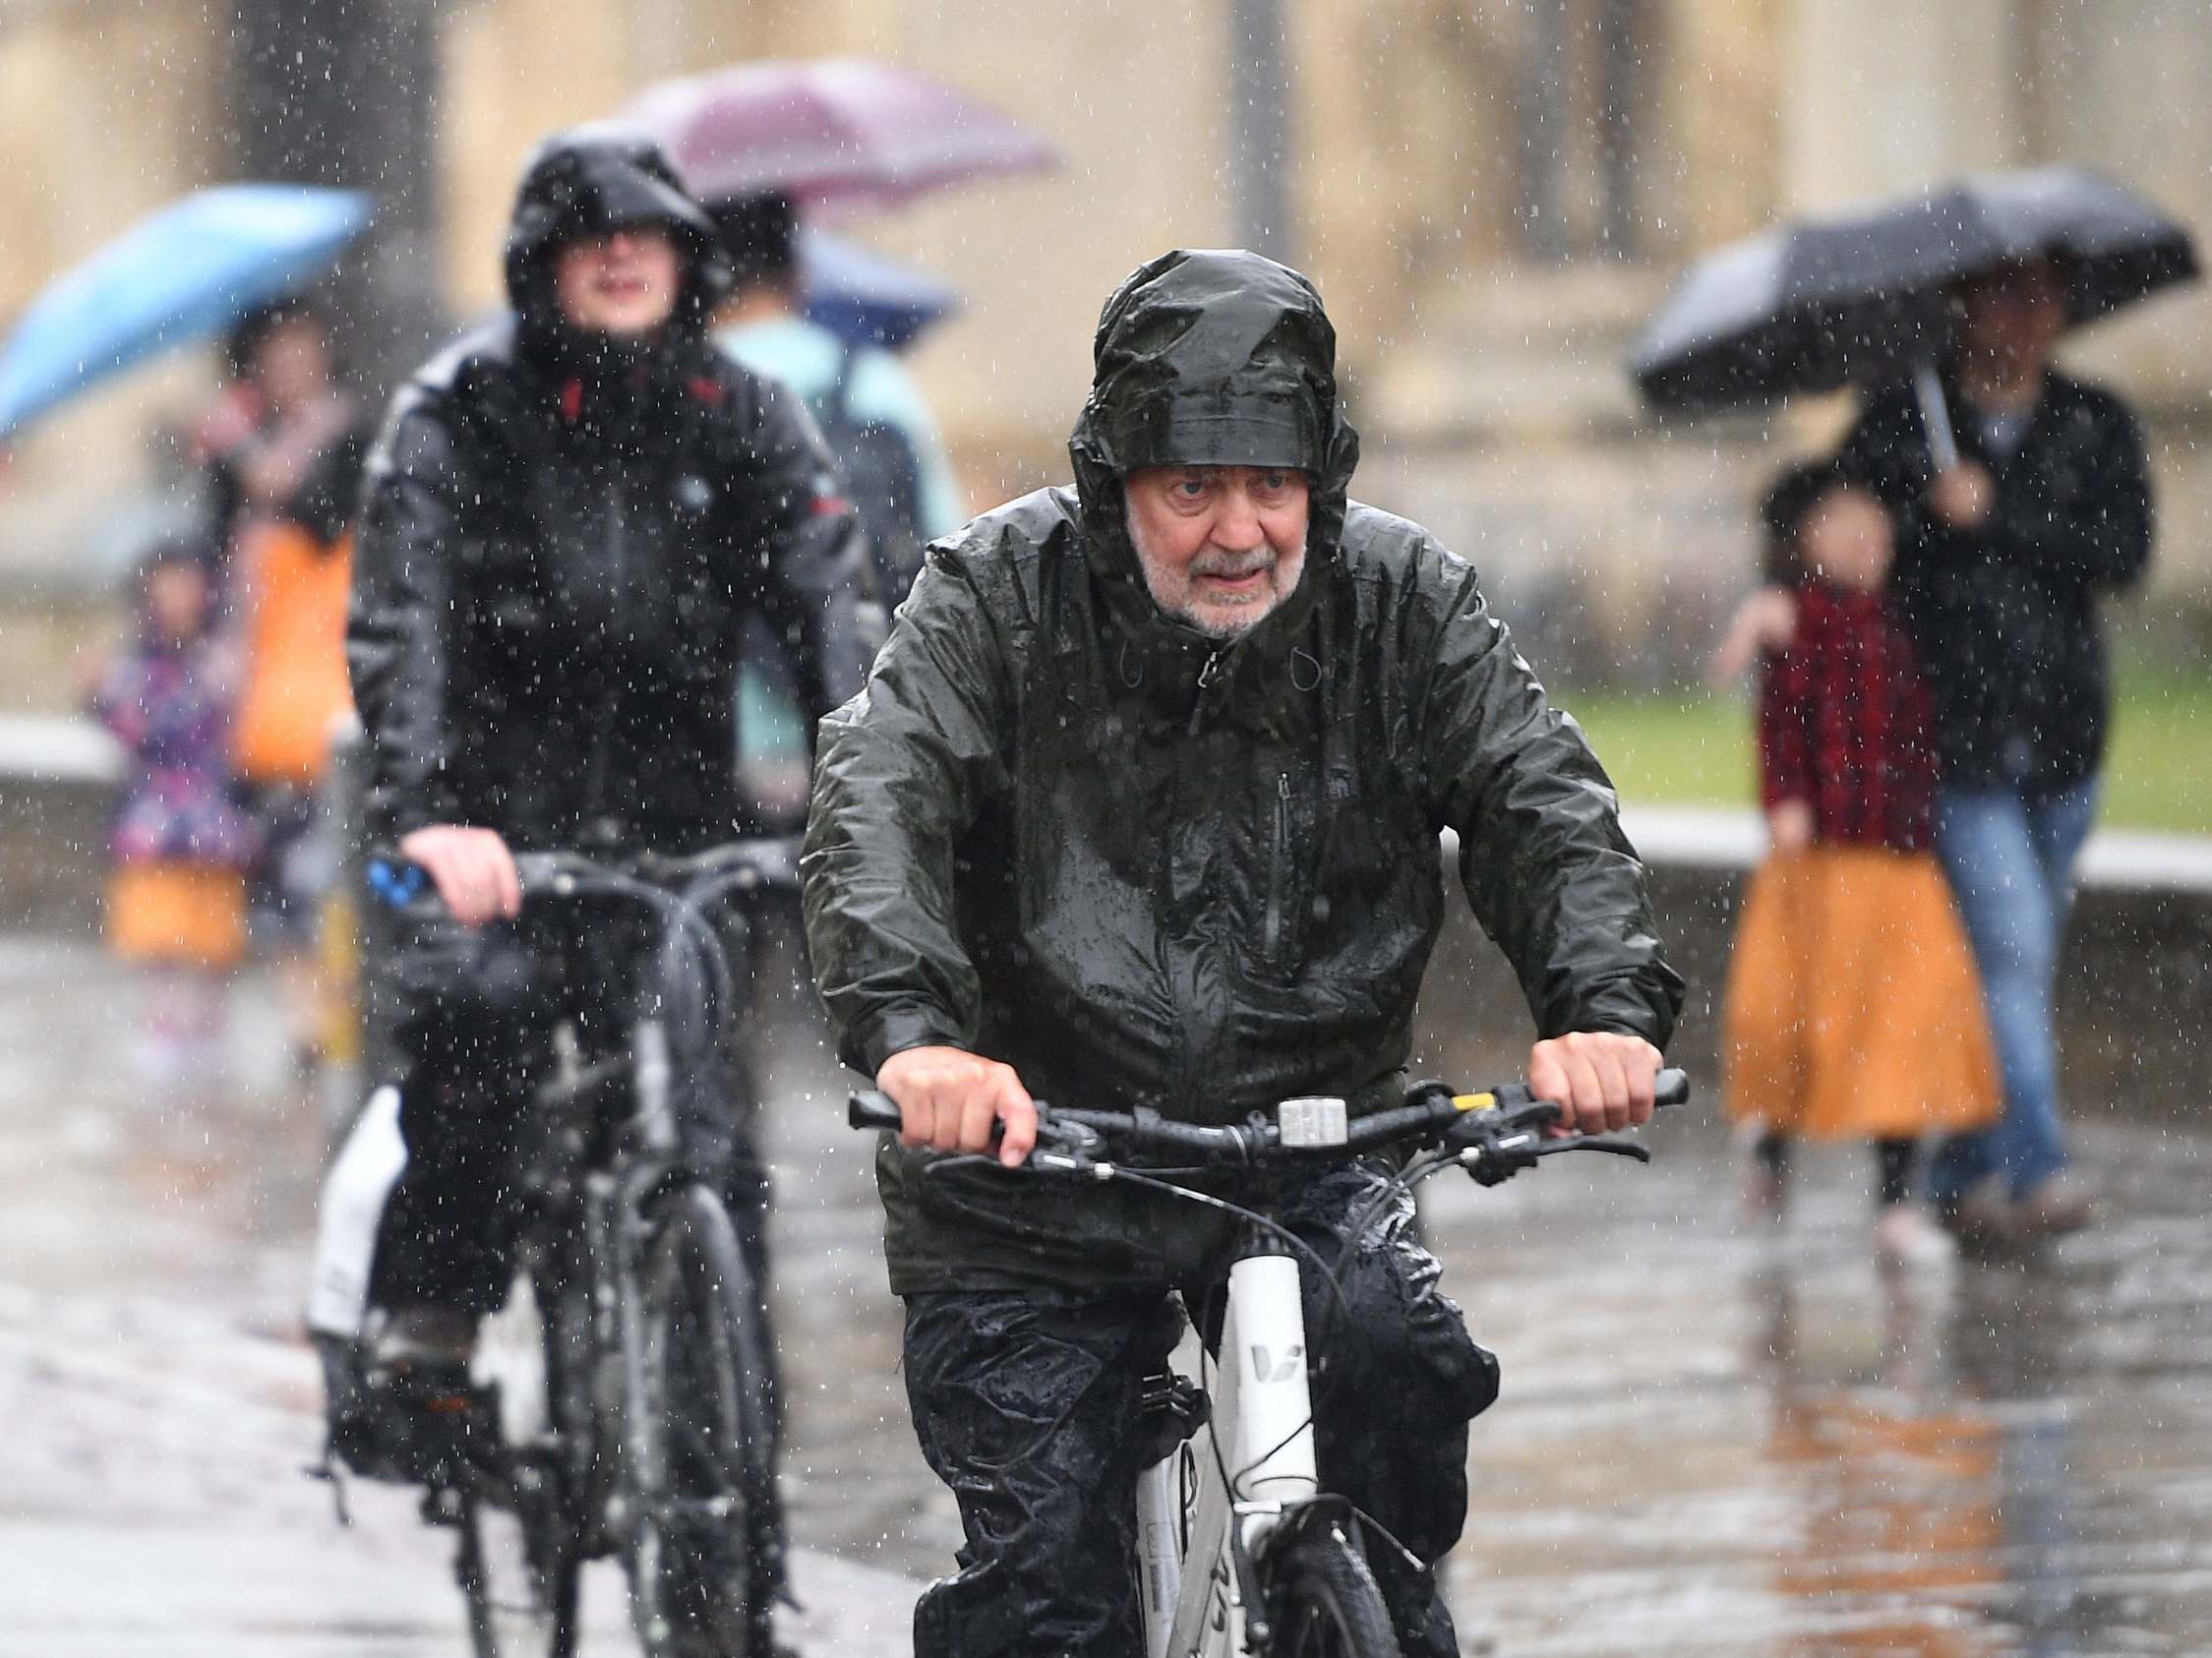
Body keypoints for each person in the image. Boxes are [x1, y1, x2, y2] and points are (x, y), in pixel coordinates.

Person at [803, 248, 1684, 1657]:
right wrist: (918, 1039)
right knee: (1044, 1593)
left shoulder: (1403, 602)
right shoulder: (991, 599)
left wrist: (1605, 1010)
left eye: (1270, 485)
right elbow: (875, 805)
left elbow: (1540, 801)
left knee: (1393, 1394)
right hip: (1036, 1168)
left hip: (1311, 1143)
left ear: (1319, 486)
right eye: (1190, 487)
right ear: (1116, 485)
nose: (1237, 529)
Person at [329, 124, 874, 1591]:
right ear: (542, 267)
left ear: (690, 262)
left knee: (709, 1145)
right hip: (496, 831)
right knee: (483, 1027)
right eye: (590, 240)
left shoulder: (740, 412)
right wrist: (436, 816)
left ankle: (730, 1504)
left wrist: (861, 786)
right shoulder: (460, 416)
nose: (623, 258)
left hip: (686, 833)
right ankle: (430, 1323)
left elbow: (833, 603)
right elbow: (406, 624)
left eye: (649, 237)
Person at [1834, 257, 2153, 1244]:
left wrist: (1997, 514)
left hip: (2063, 736)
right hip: (1953, 738)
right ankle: (2039, 1171)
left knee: (2008, 962)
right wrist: (1923, 517)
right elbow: (1838, 535)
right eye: (2001, 297)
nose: (2021, 320)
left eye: (2040, 299)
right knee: (2009, 945)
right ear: (1963, 307)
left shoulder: (2091, 420)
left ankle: (1963, 1170)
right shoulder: (1900, 418)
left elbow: (2121, 554)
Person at [1720, 462, 1998, 1266]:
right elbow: (1780, 725)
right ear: (1810, 543)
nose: (1863, 548)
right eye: (1845, 534)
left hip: (1898, 859)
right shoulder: (1796, 624)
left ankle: (1893, 1203)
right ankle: (1770, 1152)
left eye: (1874, 536)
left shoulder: (1906, 621)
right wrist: (1785, 800)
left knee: (1902, 1033)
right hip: (1824, 863)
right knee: (1797, 1024)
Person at [87, 538, 258, 1077]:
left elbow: (226, 729)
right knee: (158, 930)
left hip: (212, 816)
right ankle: (165, 1025)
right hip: (155, 817)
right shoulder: (135, 664)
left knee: (212, 933)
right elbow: (132, 727)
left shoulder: (221, 659)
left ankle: (205, 1027)